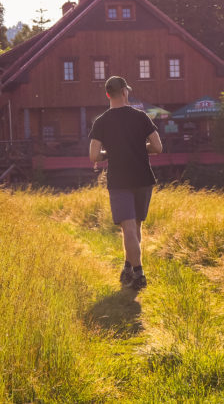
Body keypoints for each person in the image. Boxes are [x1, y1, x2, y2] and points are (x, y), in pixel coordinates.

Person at [88, 75, 163, 290]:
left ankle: (133, 270)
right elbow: (158, 147)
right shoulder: (141, 117)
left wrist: (108, 153)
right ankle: (133, 270)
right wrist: (140, 148)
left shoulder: (101, 121)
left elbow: (93, 155)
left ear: (107, 94)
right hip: (143, 177)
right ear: (124, 92)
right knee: (135, 227)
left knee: (128, 228)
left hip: (119, 180)